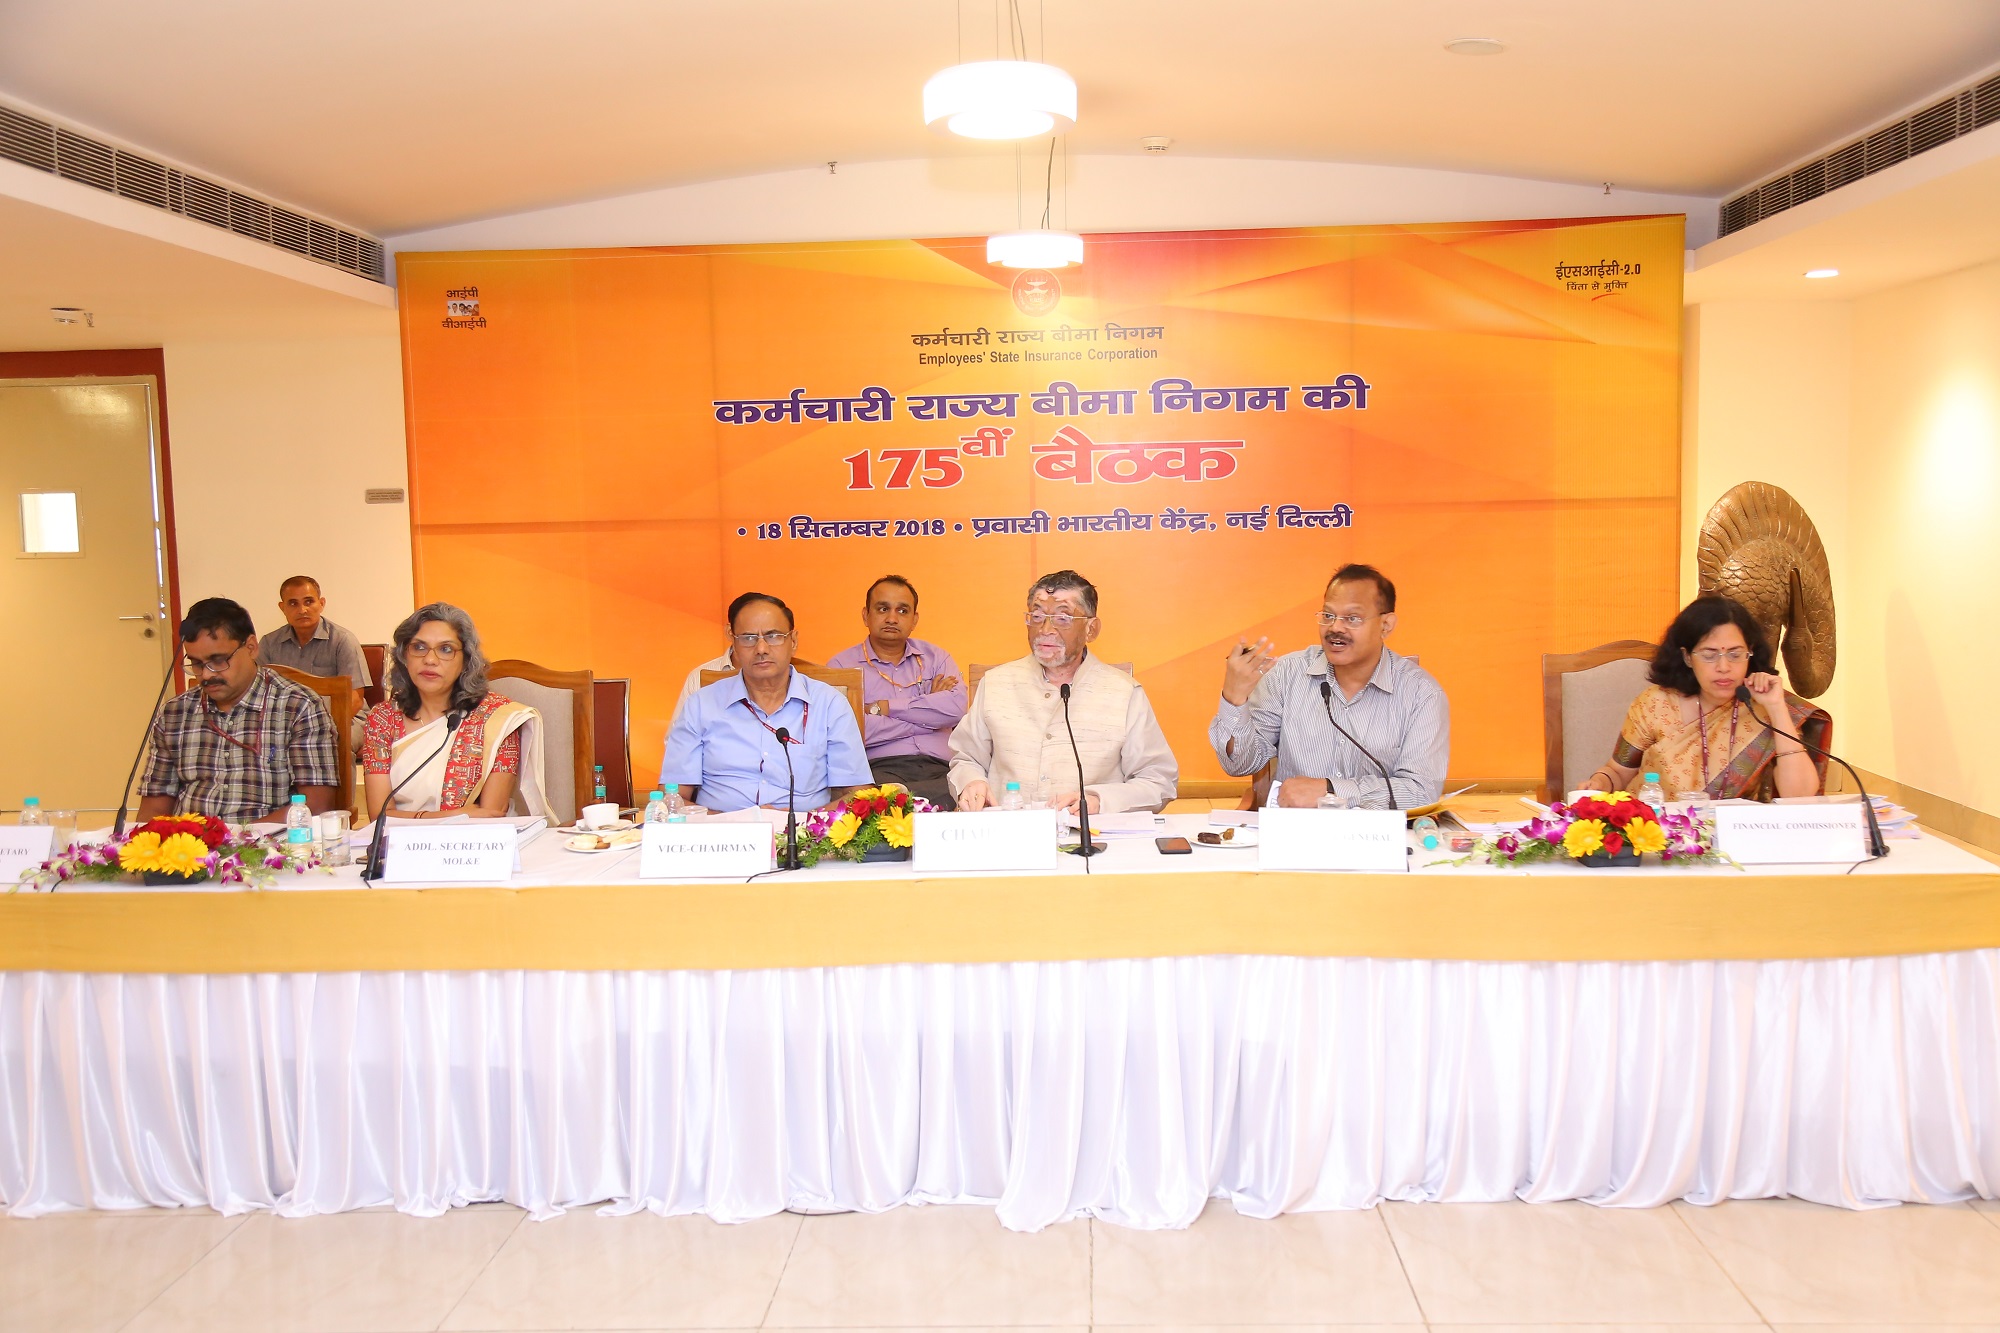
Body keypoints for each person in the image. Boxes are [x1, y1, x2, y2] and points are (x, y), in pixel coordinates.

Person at [1209, 563, 1449, 809]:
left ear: (1386, 625)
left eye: (1352, 618)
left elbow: (1422, 792)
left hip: (1376, 831)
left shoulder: (1422, 694)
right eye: (1328, 616)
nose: (1335, 628)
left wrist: (1331, 790)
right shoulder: (1287, 675)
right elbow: (1240, 765)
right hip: (1297, 829)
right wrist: (1234, 699)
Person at [949, 569, 1178, 814]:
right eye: (1037, 616)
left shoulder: (1124, 693)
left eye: (1062, 618)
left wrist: (1099, 801)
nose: (1045, 629)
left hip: (1092, 831)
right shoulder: (996, 683)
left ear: (1091, 629)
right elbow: (966, 759)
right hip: (1008, 829)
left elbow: (1158, 781)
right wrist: (971, 782)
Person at [1583, 593, 1828, 801]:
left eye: (1735, 654)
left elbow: (1800, 796)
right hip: (1658, 834)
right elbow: (1618, 772)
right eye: (1710, 655)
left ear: (1750, 654)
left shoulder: (1761, 710)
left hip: (1734, 837)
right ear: (1687, 657)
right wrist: (1599, 783)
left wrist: (1776, 708)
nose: (1724, 667)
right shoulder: (1655, 704)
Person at [661, 592, 872, 812]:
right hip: (720, 830)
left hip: (805, 830)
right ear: (734, 642)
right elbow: (671, 798)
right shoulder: (700, 705)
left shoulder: (829, 704)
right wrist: (733, 823)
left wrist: (803, 823)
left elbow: (859, 796)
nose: (761, 649)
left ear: (793, 641)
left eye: (773, 636)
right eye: (748, 638)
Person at [136, 597, 340, 823]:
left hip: (268, 841)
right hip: (189, 840)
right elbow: (154, 808)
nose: (207, 674)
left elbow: (315, 807)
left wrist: (233, 839)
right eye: (197, 663)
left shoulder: (298, 706)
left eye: (218, 660)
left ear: (251, 647)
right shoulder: (175, 713)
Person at [361, 602, 547, 820]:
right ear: (404, 655)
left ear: (466, 660)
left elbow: (488, 817)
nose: (430, 660)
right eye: (419, 647)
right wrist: (453, 815)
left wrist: (416, 818)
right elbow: (380, 817)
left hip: (473, 839)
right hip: (400, 839)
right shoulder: (383, 718)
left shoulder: (496, 719)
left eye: (446, 649)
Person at [825, 575, 966, 809]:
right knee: (882, 806)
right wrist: (929, 716)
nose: (892, 618)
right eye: (883, 609)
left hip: (943, 768)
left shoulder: (937, 658)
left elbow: (955, 708)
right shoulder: (841, 667)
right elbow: (851, 732)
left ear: (914, 619)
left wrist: (883, 708)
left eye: (902, 611)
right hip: (879, 769)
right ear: (865, 615)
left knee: (967, 797)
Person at [258, 575, 373, 691]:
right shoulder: (269, 644)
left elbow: (354, 696)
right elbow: (259, 691)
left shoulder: (343, 640)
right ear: (282, 608)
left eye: (308, 602)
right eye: (293, 604)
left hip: (334, 704)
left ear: (321, 604)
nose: (302, 610)